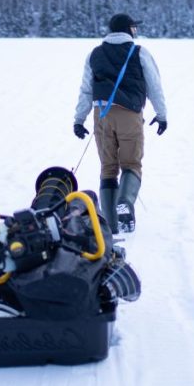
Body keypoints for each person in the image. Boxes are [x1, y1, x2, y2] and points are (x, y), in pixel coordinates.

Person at [73, 13, 167, 233]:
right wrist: (161, 114)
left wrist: (79, 119)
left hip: (101, 114)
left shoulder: (94, 54)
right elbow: (155, 86)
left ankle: (111, 225)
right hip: (130, 115)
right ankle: (125, 201)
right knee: (131, 164)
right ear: (128, 30)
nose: (136, 30)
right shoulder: (140, 53)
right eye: (133, 27)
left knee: (108, 168)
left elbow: (86, 89)